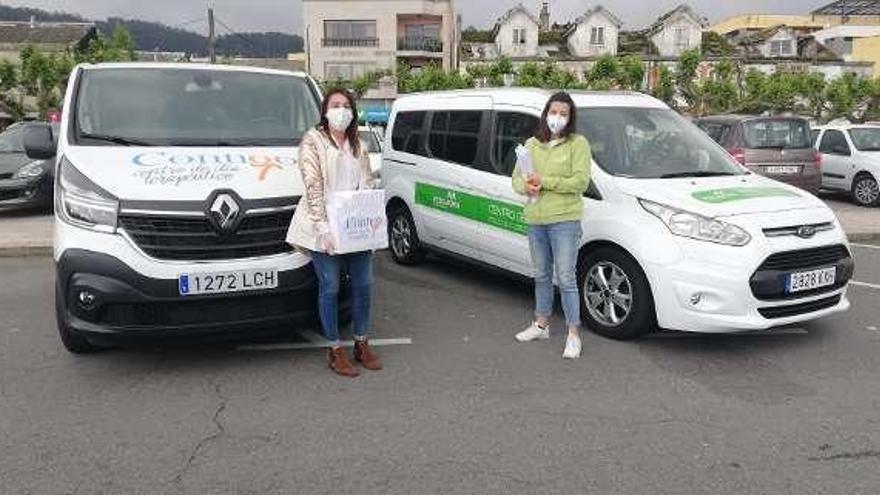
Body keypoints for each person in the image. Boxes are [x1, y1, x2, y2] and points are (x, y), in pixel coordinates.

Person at [287, 88, 381, 377]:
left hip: (354, 229)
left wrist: (370, 220)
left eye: (346, 106)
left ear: (352, 112)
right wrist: (323, 228)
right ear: (325, 111)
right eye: (335, 105)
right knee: (331, 287)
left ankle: (361, 342)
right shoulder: (313, 141)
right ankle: (335, 348)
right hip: (323, 228)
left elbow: (367, 182)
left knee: (363, 284)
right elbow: (313, 185)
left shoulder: (358, 144)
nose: (341, 110)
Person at [512, 92, 592, 359]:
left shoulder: (578, 144)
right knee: (541, 274)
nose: (557, 117)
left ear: (570, 118)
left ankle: (573, 333)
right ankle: (541, 323)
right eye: (553, 111)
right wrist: (527, 184)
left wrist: (544, 181)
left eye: (563, 113)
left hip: (564, 220)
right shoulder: (532, 144)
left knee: (566, 278)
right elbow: (516, 181)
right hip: (536, 219)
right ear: (546, 113)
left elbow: (580, 182)